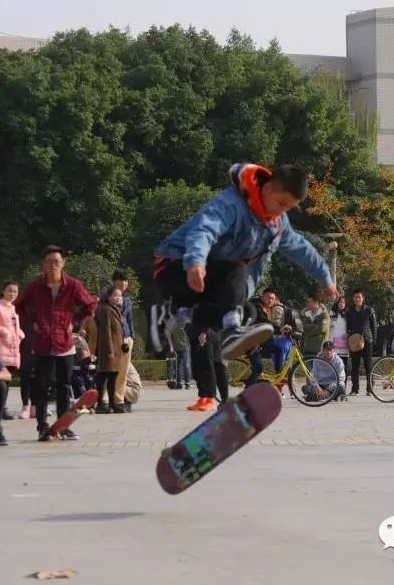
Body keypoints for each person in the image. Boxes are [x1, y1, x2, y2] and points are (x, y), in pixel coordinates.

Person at [154, 163, 336, 412]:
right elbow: (204, 229)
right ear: (268, 188)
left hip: (206, 284)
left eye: (289, 208)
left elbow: (301, 249)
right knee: (236, 269)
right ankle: (229, 329)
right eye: (281, 203)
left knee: (250, 310)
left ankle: (184, 314)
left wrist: (326, 277)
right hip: (175, 267)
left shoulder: (277, 224)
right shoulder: (232, 204)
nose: (281, 212)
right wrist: (195, 260)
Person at [16, 246, 97, 438]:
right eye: (49, 262)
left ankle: (63, 424)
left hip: (65, 343)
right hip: (43, 342)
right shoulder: (36, 287)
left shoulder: (73, 285)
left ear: (63, 263)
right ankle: (42, 426)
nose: (53, 265)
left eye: (57, 262)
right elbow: (19, 306)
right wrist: (33, 322)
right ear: (43, 264)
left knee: (64, 386)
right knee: (42, 386)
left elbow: (91, 305)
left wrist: (74, 320)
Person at [0, 280, 24, 420]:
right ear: (3, 291)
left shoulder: (12, 308)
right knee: (0, 381)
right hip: (1, 348)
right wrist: (4, 332)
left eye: (15, 291)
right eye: (10, 290)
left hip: (14, 349)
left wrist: (19, 333)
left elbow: (14, 326)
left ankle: (2, 408)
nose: (12, 293)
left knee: (7, 382)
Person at [93, 287, 125, 415]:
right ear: (108, 296)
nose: (118, 298)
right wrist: (109, 350)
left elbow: (118, 330)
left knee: (112, 376)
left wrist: (122, 344)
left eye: (120, 296)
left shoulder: (115, 309)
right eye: (115, 295)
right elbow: (105, 331)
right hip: (108, 348)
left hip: (117, 347)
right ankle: (100, 404)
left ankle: (112, 403)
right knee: (103, 376)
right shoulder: (104, 309)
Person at [110, 270, 136, 412]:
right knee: (111, 371)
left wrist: (132, 336)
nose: (124, 283)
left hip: (126, 340)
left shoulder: (127, 300)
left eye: (126, 281)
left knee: (123, 373)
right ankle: (107, 400)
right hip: (112, 339)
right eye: (121, 280)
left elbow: (130, 320)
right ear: (114, 281)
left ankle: (119, 400)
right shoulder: (107, 297)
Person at [344, 289, 377, 396]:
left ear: (363, 298)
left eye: (359, 297)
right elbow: (348, 327)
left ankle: (370, 389)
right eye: (355, 297)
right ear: (353, 299)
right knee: (354, 366)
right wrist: (350, 336)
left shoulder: (369, 310)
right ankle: (354, 389)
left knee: (368, 365)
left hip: (367, 340)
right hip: (354, 341)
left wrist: (373, 341)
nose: (357, 299)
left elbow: (374, 327)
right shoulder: (350, 312)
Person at [166, 308, 191, 390]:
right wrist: (171, 346)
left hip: (185, 347)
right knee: (177, 366)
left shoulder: (186, 323)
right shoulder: (174, 324)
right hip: (176, 348)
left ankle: (187, 383)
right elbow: (169, 335)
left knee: (186, 365)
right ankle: (179, 383)